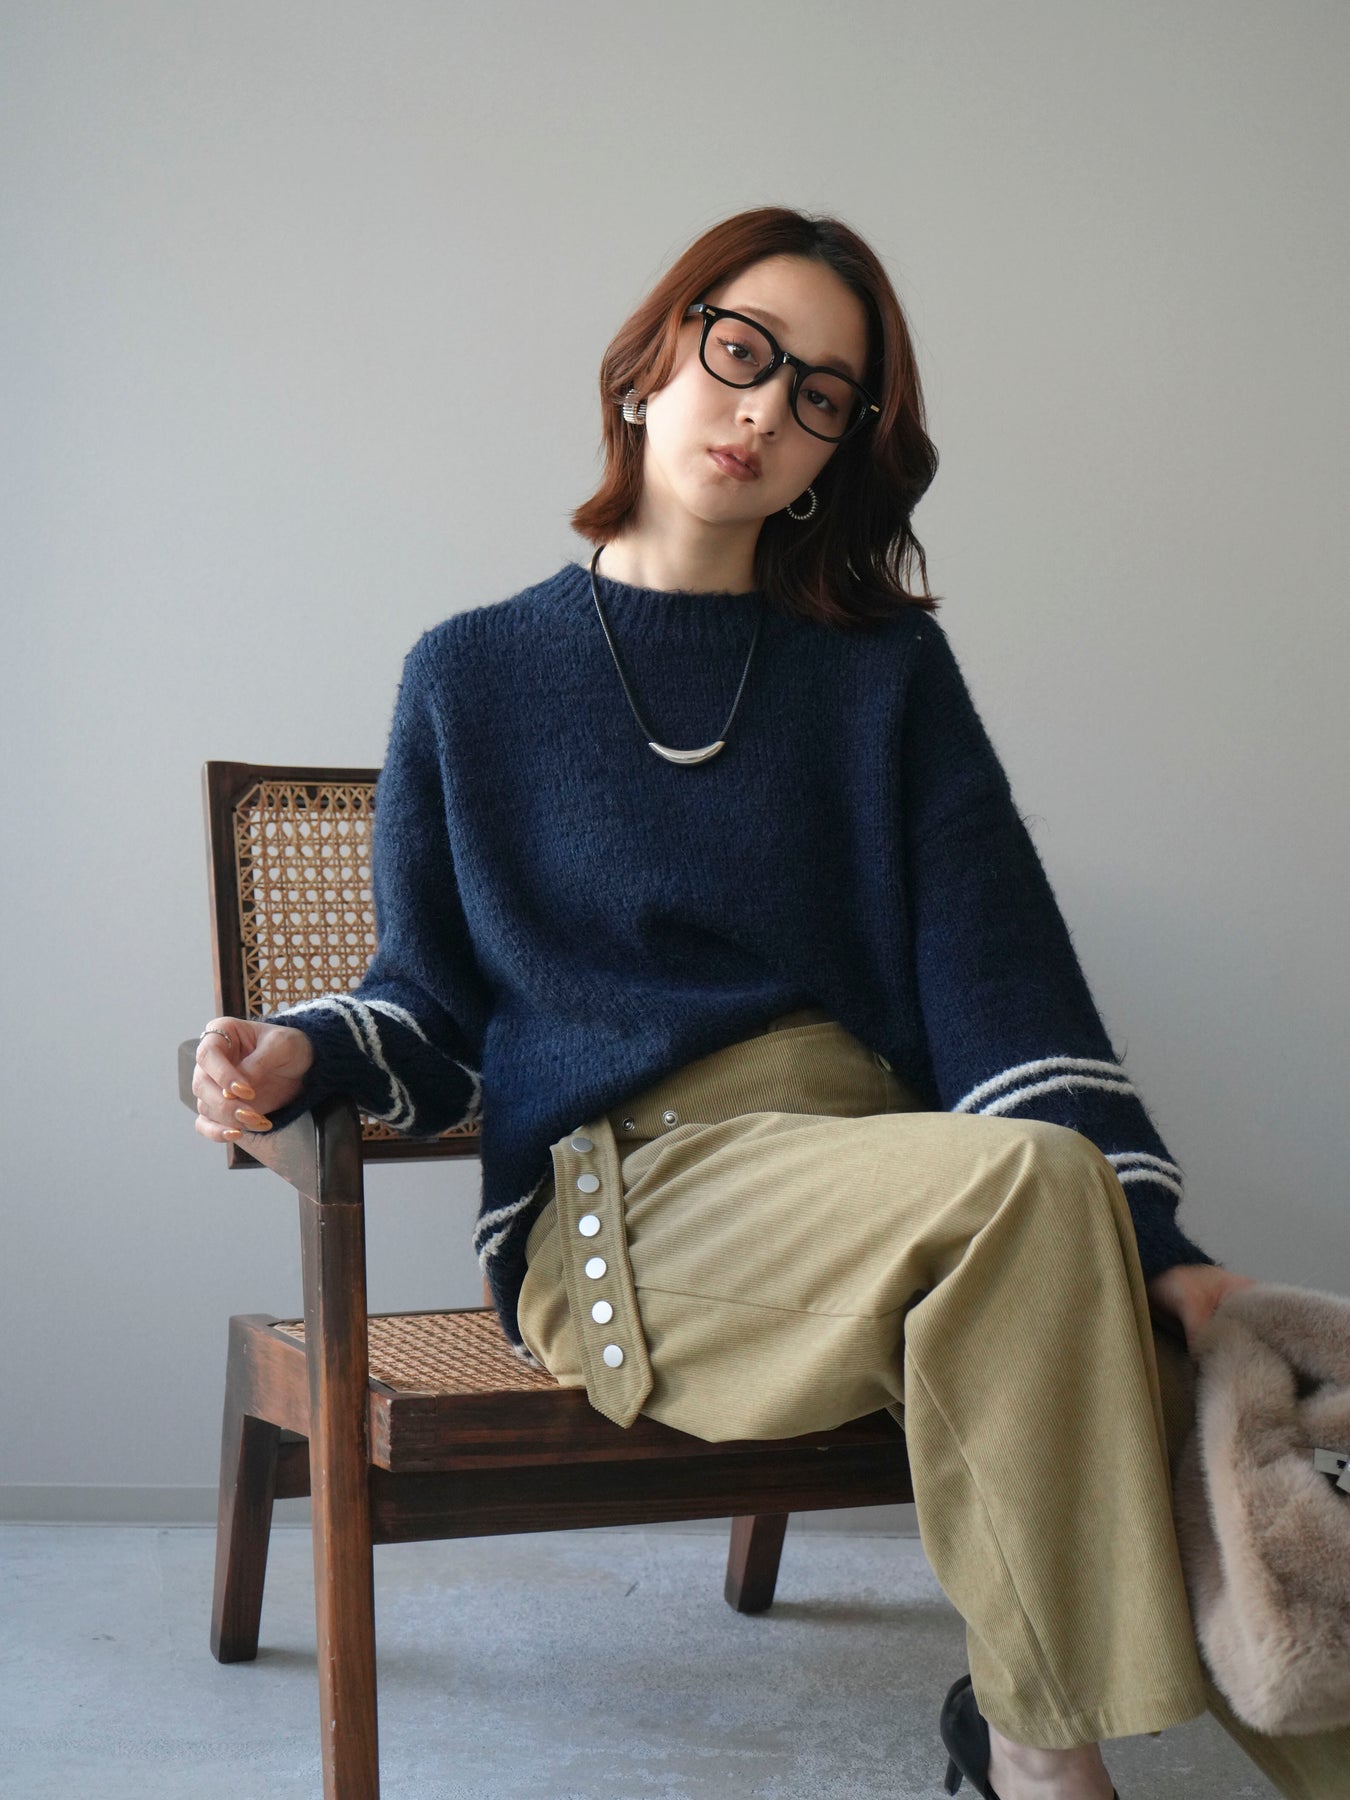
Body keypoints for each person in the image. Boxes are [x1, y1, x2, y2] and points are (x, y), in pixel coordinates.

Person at [190, 208, 1344, 1800]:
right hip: (630, 1206)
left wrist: (1163, 1251)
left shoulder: (881, 675)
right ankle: (1040, 1756)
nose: (762, 410)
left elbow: (1001, 979)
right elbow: (432, 1005)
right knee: (1036, 1208)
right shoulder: (471, 673)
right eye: (740, 352)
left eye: (820, 396)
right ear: (650, 358)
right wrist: (303, 1046)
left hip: (895, 1197)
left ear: (836, 453)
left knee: (1196, 1392)